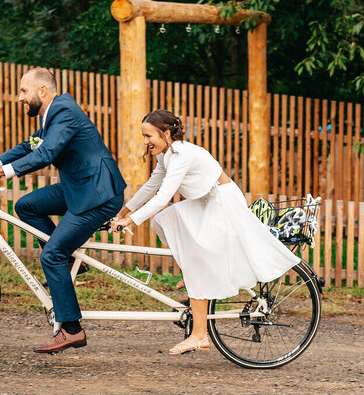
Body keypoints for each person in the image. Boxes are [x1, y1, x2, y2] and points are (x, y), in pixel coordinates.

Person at [110, 110, 300, 355]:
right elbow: (151, 186)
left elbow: (163, 197)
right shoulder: (167, 155)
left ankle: (199, 335)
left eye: (149, 136)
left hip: (222, 203)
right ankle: (192, 276)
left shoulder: (182, 155)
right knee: (163, 220)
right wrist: (123, 212)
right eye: (143, 136)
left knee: (197, 264)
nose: (145, 141)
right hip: (205, 202)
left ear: (166, 133)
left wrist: (131, 221)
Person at [0, 68, 126, 353]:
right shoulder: (52, 115)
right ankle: (71, 262)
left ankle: (72, 329)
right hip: (79, 187)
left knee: (51, 255)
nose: (19, 98)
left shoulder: (64, 112)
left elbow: (46, 154)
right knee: (27, 205)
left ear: (42, 91)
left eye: (24, 91)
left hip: (98, 194)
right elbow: (29, 146)